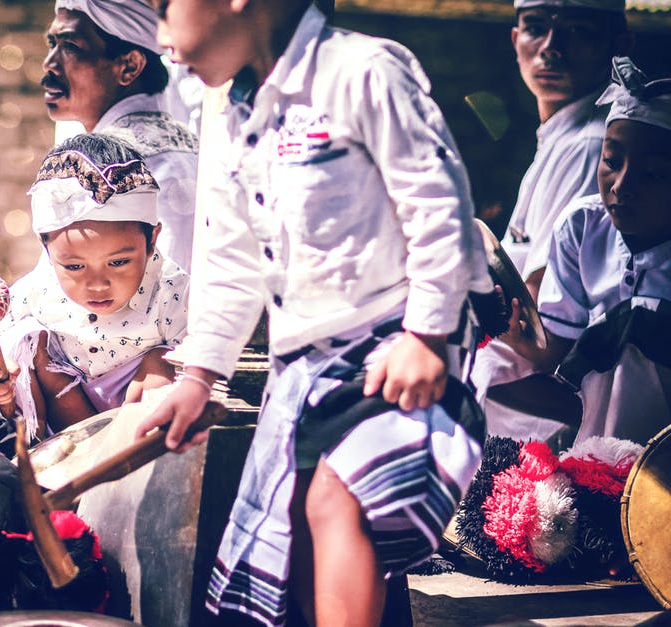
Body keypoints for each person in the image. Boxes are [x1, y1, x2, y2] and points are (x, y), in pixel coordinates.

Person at [136, 2, 490, 625]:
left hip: (395, 346)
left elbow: (439, 205)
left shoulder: (363, 72)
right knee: (292, 533)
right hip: (301, 368)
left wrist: (427, 336)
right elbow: (232, 260)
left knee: (336, 499)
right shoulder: (230, 112)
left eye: (166, 8)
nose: (162, 36)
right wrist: (198, 378)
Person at [0, 133, 188, 530]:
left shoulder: (172, 292)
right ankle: (40, 492)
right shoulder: (43, 288)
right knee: (30, 342)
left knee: (164, 365)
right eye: (75, 267)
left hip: (132, 437)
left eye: (118, 263)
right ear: (48, 250)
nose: (97, 285)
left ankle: (88, 505)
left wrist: (165, 373)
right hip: (59, 435)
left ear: (152, 239)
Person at [473, 0, 632, 442]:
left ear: (619, 43)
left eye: (577, 31)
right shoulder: (561, 136)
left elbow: (533, 317)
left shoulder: (592, 145)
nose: (551, 48)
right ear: (515, 39)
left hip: (568, 398)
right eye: (536, 28)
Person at [497, 57, 671, 447]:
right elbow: (555, 352)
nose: (621, 185)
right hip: (593, 440)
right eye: (611, 161)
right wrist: (516, 337)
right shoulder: (582, 227)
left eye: (655, 174)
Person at [42, 0, 200, 270]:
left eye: (69, 47)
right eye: (52, 45)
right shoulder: (192, 147)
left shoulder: (102, 166)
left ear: (129, 66)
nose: (49, 64)